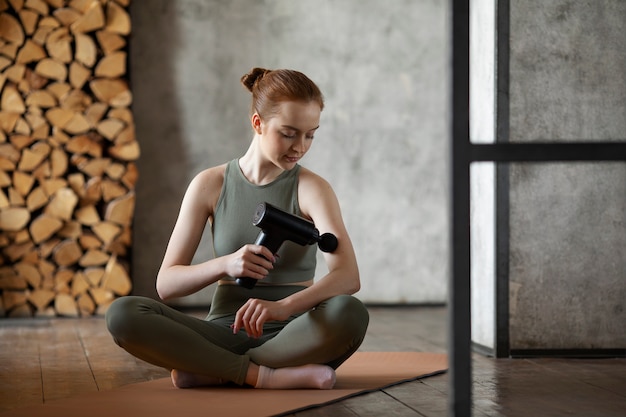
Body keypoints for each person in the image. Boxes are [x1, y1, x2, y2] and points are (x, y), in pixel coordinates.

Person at [105, 68, 369, 390]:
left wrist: (282, 308)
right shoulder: (210, 184)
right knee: (123, 314)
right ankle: (260, 375)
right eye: (288, 133)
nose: (300, 146)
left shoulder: (313, 188)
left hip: (292, 334)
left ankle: (210, 369)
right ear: (257, 123)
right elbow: (167, 285)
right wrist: (226, 264)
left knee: (350, 313)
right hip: (222, 334)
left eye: (310, 134)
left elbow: (348, 276)